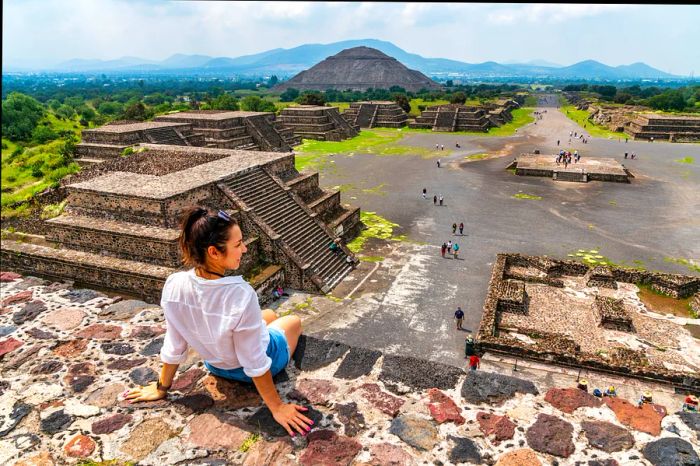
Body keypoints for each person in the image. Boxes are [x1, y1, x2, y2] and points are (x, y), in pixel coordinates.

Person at [123, 207, 312, 438]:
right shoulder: (240, 294)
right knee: (292, 320)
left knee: (268, 317)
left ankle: (267, 327)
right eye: (238, 244)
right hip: (256, 367)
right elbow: (254, 361)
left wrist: (161, 388)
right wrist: (277, 407)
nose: (244, 249)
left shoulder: (174, 284)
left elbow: (175, 344)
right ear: (213, 252)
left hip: (217, 365)